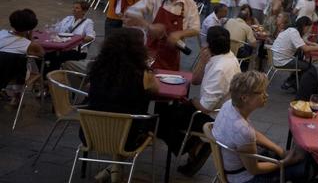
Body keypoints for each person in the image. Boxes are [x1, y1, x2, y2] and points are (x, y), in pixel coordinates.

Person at [158, 26, 241, 176]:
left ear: (208, 44)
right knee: (169, 110)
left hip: (214, 116)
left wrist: (191, 101)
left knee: (163, 119)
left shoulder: (221, 68)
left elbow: (204, 107)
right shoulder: (226, 56)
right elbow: (195, 80)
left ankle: (193, 147)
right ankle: (193, 148)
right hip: (216, 109)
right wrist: (202, 62)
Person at [85, 28, 159, 181]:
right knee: (143, 119)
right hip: (128, 138)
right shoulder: (143, 75)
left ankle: (113, 169)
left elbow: (91, 90)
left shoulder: (96, 68)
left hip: (91, 133)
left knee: (117, 111)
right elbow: (156, 90)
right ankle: (115, 169)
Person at [212, 71, 304, 183]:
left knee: (293, 157)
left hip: (235, 167)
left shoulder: (229, 105)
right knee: (302, 169)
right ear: (245, 98)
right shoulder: (242, 129)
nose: (266, 95)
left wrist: (280, 151)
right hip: (243, 178)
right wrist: (284, 162)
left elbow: (253, 133)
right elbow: (254, 169)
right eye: (261, 92)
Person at [125, 0, 200, 71]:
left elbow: (195, 29)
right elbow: (130, 13)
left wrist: (180, 34)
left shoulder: (190, 4)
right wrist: (149, 26)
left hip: (172, 56)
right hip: (149, 53)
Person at [0, 9, 44, 106]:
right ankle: (17, 96)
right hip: (10, 77)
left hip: (3, 73)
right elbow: (42, 54)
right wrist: (30, 37)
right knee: (26, 63)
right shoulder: (30, 45)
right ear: (31, 27)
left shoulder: (1, 33)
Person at [271, 16, 318, 90]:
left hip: (277, 58)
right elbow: (305, 48)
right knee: (310, 67)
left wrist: (313, 44)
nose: (308, 30)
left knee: (302, 62)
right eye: (308, 28)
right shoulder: (294, 32)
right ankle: (298, 85)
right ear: (304, 26)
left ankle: (291, 82)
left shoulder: (291, 30)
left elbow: (301, 41)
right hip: (283, 61)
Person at [46, 1, 96, 73]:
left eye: (77, 8)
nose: (74, 9)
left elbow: (90, 37)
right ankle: (47, 75)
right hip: (62, 46)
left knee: (56, 56)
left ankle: (52, 76)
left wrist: (76, 40)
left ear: (84, 11)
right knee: (45, 53)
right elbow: (56, 29)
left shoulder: (88, 22)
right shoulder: (68, 18)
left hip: (76, 50)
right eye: (73, 7)